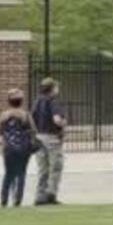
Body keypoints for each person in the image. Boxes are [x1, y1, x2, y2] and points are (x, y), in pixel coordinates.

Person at [0, 88, 36, 208]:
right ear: (21, 101)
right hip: (23, 148)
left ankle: (4, 199)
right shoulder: (25, 115)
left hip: (9, 148)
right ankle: (17, 199)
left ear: (9, 101)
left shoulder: (4, 115)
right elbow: (34, 130)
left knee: (8, 173)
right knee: (21, 173)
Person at [31, 77, 66, 206]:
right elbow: (57, 119)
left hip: (39, 136)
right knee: (55, 167)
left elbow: (32, 119)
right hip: (52, 137)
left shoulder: (37, 101)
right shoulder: (53, 102)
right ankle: (51, 193)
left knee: (42, 168)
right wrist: (64, 123)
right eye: (56, 87)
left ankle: (40, 195)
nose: (58, 89)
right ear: (51, 89)